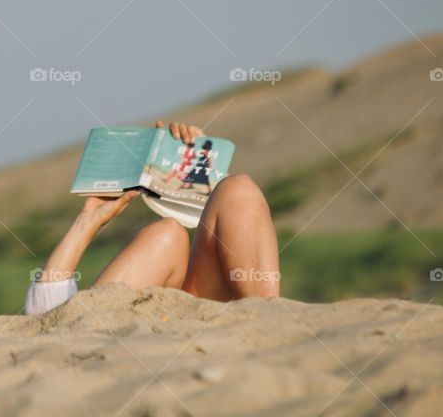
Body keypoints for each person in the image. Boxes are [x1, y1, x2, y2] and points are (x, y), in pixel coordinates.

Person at [24, 121, 280, 315]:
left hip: (209, 325)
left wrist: (202, 170)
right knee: (166, 235)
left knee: (238, 190)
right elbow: (49, 320)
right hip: (119, 341)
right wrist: (88, 220)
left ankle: (270, 318)